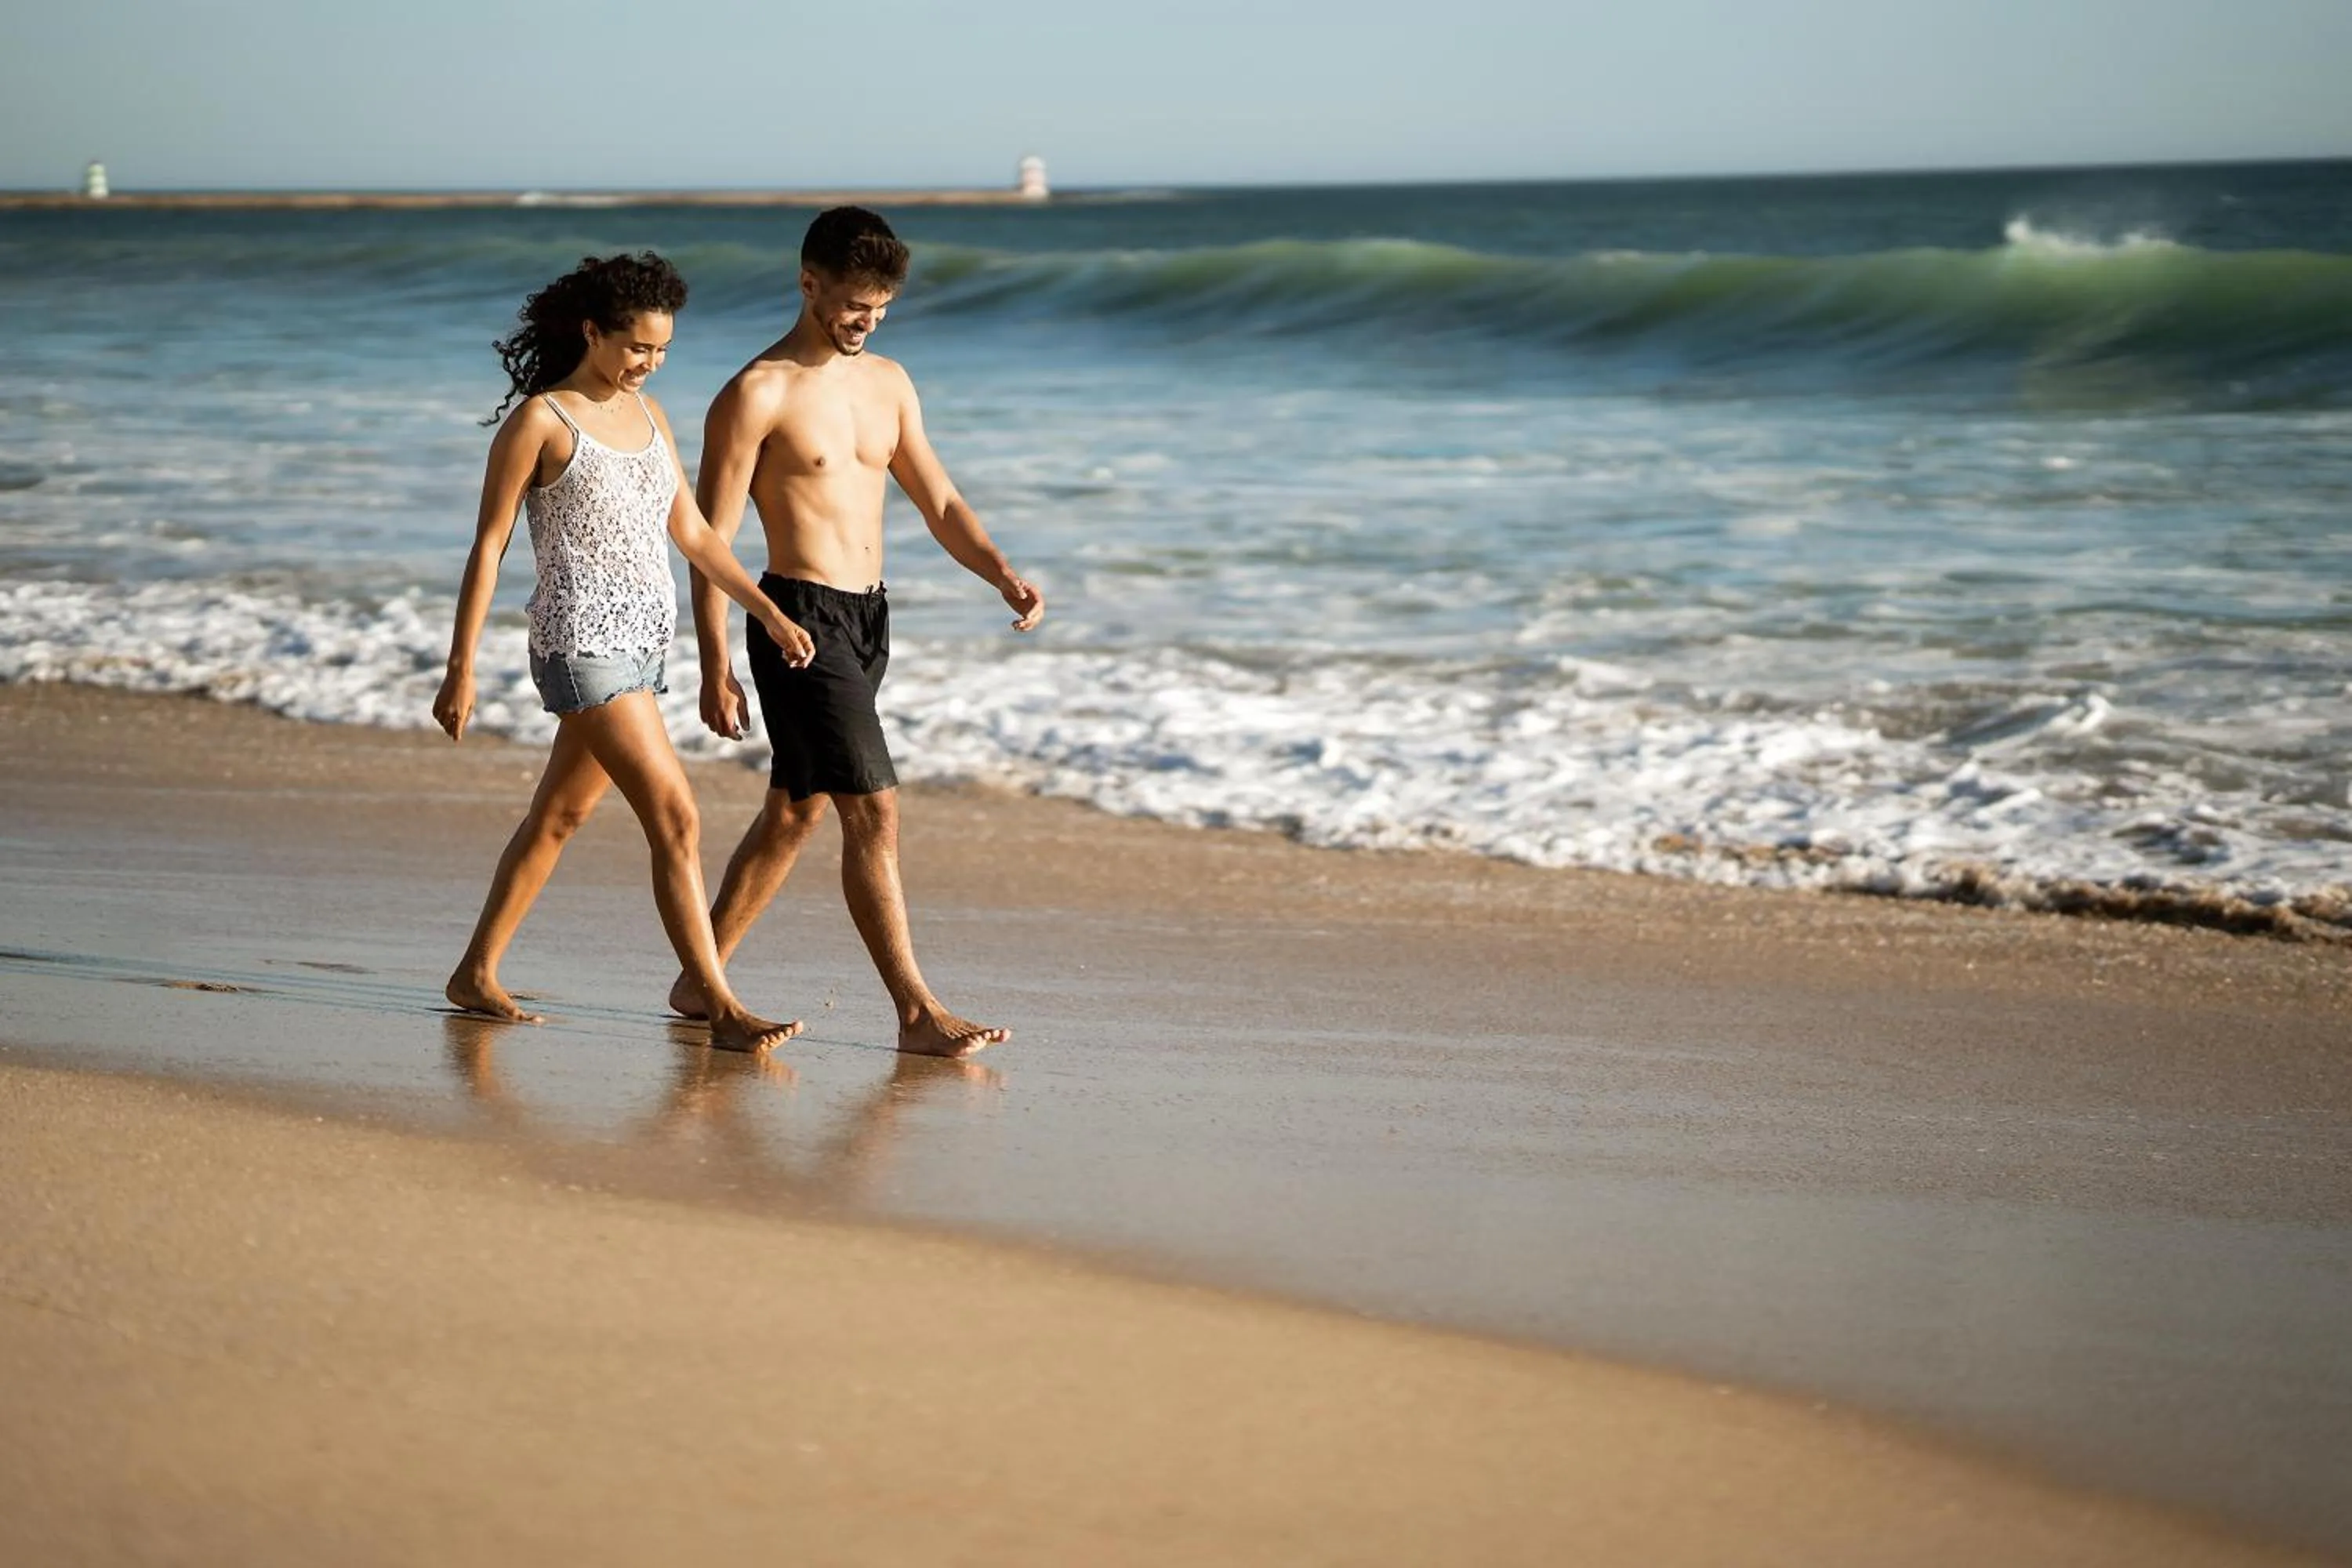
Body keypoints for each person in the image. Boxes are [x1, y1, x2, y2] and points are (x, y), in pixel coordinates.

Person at [670, 207, 1044, 1058]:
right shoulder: (755, 393)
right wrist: (716, 660)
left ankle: (701, 976)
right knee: (873, 807)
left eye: (879, 308)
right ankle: (915, 1011)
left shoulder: (890, 383)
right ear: (809, 284)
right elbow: (708, 541)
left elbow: (939, 500)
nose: (865, 321)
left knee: (796, 811)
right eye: (852, 305)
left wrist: (999, 570)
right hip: (795, 618)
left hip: (870, 618)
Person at [434, 252, 816, 1053]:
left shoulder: (652, 418)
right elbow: (488, 545)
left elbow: (695, 535)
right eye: (638, 346)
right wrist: (460, 667)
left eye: (663, 349)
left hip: (643, 644)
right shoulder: (542, 420)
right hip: (580, 643)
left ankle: (475, 971)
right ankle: (718, 1001)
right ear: (592, 333)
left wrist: (768, 612)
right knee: (677, 814)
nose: (650, 362)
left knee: (560, 815)